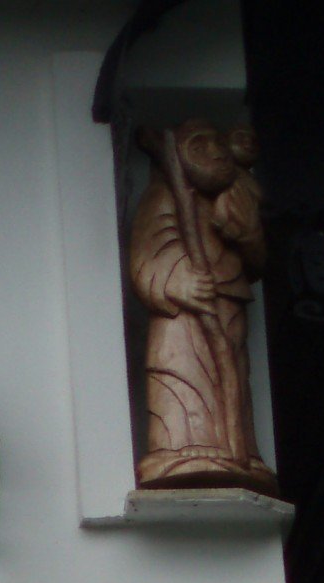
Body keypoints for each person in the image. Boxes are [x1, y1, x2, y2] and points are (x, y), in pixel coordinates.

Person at [128, 120, 278, 496]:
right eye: (199, 147)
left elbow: (258, 262)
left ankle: (239, 451)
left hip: (230, 302)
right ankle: (180, 449)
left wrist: (248, 236)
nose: (215, 154)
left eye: (218, 145)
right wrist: (181, 280)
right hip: (181, 313)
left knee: (234, 378)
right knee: (181, 373)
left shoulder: (235, 196)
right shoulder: (164, 195)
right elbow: (149, 249)